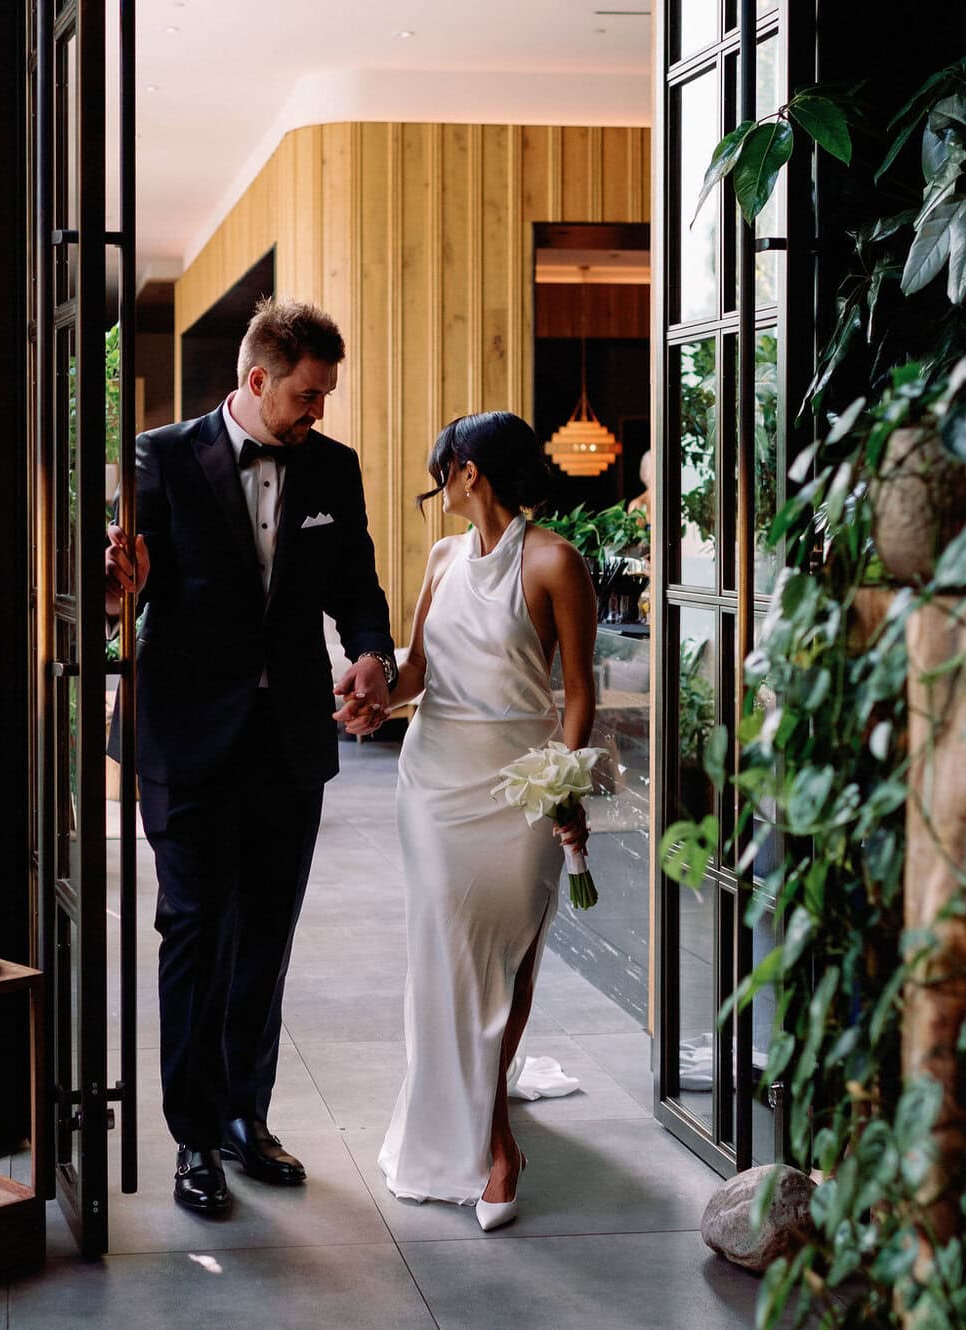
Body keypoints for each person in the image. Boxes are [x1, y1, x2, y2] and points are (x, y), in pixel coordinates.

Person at [103, 298, 397, 1217]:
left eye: (327, 397)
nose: (320, 413)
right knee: (194, 930)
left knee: (264, 936)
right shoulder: (157, 457)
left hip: (286, 741)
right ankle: (192, 1136)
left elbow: (357, 585)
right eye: (309, 396)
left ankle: (244, 1117)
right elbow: (112, 587)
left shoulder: (333, 469)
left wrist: (370, 653)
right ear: (257, 380)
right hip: (185, 735)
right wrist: (122, 593)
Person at [361, 411, 598, 1231]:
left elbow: (578, 695)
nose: (438, 490)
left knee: (507, 966)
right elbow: (418, 668)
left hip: (519, 788)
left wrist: (563, 787)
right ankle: (496, 1143)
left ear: (469, 472)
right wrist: (368, 699)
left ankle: (491, 1128)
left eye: (442, 473)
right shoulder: (440, 558)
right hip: (432, 785)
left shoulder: (556, 562)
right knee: (446, 963)